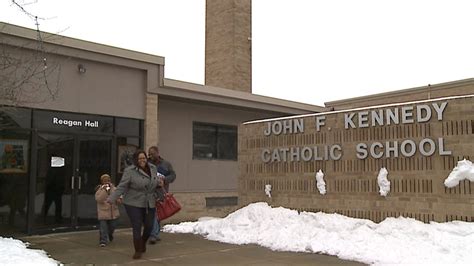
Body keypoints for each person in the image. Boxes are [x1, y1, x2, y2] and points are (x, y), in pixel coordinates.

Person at [107, 150, 160, 259]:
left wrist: (159, 183)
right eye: (140, 158)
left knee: (149, 226)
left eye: (144, 158)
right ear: (135, 160)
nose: (142, 160)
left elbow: (154, 182)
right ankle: (138, 250)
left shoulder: (153, 168)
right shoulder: (130, 171)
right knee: (136, 226)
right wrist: (112, 198)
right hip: (133, 202)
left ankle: (142, 243)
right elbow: (122, 186)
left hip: (149, 201)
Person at [148, 145, 176, 244]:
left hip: (161, 192)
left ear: (157, 153)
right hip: (150, 192)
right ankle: (153, 235)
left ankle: (155, 232)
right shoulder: (147, 164)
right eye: (149, 154)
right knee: (153, 213)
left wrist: (165, 180)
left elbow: (173, 175)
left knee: (158, 214)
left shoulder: (166, 164)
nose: (150, 155)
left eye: (152, 154)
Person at [95, 174, 120, 247]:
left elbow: (119, 198)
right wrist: (105, 191)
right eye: (105, 181)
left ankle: (110, 234)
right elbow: (99, 199)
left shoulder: (114, 189)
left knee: (112, 226)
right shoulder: (99, 190)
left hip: (113, 212)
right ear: (102, 182)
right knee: (103, 228)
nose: (107, 182)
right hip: (103, 212)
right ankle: (103, 240)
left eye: (108, 180)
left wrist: (119, 199)